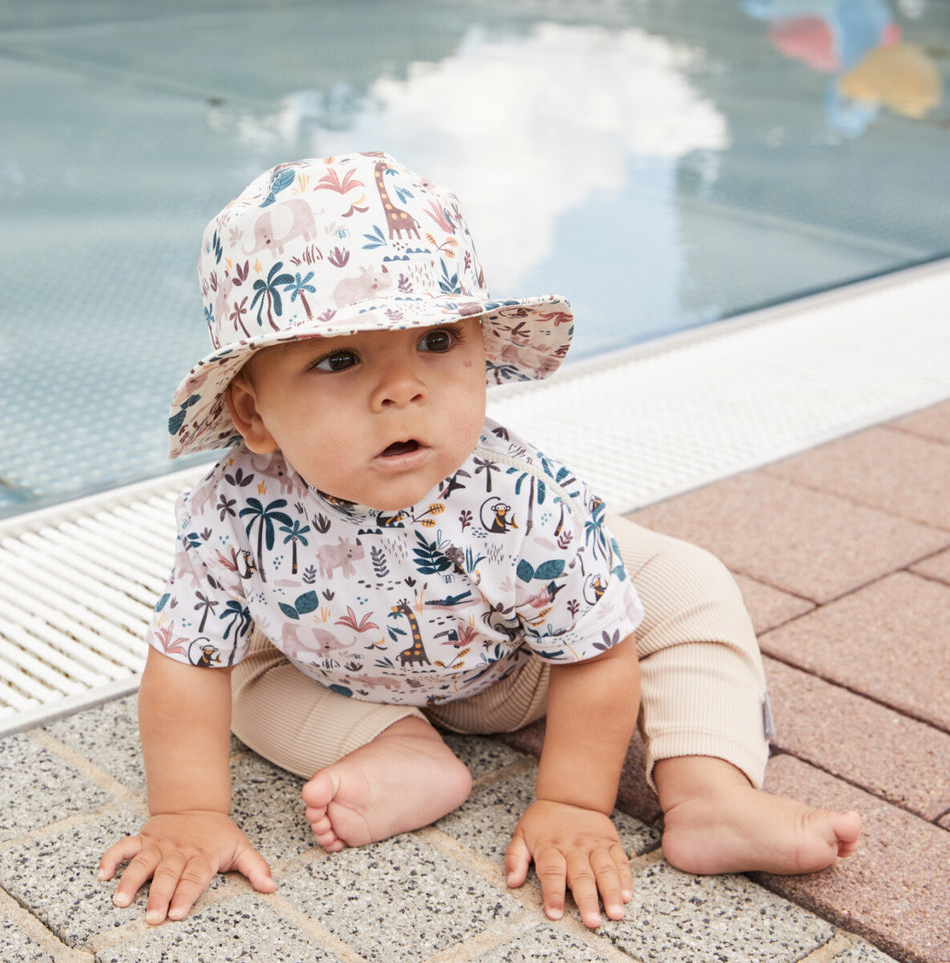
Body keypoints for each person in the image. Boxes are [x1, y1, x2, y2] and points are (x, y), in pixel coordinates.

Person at [99, 152, 860, 929]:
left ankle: (708, 791)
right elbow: (186, 659)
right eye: (339, 357)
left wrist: (569, 800)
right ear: (255, 414)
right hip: (329, 666)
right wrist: (187, 809)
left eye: (434, 341)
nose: (401, 388)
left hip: (524, 665)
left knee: (685, 588)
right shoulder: (229, 510)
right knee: (237, 682)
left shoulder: (519, 496)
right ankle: (398, 748)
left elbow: (597, 656)